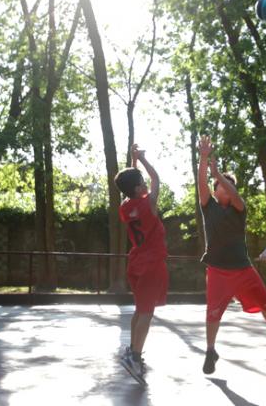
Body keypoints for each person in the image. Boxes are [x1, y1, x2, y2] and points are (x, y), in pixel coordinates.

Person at [198, 135, 266, 375]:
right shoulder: (209, 207)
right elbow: (201, 185)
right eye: (219, 186)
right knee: (213, 312)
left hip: (243, 268)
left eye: (226, 184)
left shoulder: (238, 210)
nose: (222, 187)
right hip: (217, 270)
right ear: (215, 193)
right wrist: (204, 158)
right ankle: (211, 350)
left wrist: (219, 175)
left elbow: (235, 196)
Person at [114, 144, 169, 385]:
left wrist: (134, 163)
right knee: (147, 313)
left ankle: (131, 350)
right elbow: (156, 178)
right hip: (151, 264)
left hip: (136, 263)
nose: (146, 184)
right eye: (141, 182)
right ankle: (134, 357)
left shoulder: (126, 207)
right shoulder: (149, 204)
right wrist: (143, 160)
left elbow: (131, 189)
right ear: (138, 187)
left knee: (139, 309)